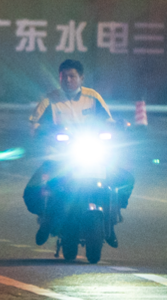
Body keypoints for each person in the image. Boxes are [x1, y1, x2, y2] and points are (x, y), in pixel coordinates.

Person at [25, 59, 134, 246]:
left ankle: (112, 219)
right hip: (59, 158)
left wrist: (118, 125)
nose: (68, 80)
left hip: (92, 153)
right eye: (63, 76)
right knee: (31, 192)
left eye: (72, 76)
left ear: (81, 78)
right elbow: (34, 125)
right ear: (59, 78)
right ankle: (46, 220)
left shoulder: (93, 98)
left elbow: (107, 120)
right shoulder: (49, 101)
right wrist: (42, 133)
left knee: (126, 179)